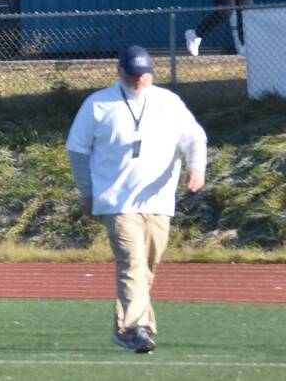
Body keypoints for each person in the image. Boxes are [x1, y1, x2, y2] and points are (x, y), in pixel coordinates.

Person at [66, 45, 207, 354]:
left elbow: (194, 137)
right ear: (121, 72)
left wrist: (196, 167)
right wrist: (87, 192)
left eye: (144, 74)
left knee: (147, 264)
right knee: (132, 261)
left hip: (158, 199)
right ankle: (137, 329)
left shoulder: (168, 103)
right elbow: (77, 149)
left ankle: (124, 328)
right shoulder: (98, 105)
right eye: (133, 74)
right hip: (115, 199)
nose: (139, 80)